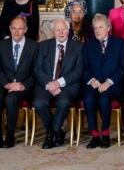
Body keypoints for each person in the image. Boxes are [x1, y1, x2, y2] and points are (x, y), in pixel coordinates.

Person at [34, 18, 83, 149]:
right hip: (47, 84)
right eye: (57, 30)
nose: (61, 32)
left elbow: (78, 71)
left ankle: (51, 135)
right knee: (39, 103)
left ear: (68, 31)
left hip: (68, 85)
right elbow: (37, 69)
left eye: (63, 29)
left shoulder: (78, 47)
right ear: (53, 32)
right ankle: (57, 131)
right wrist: (50, 83)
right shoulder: (43, 46)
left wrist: (59, 83)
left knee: (63, 102)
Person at [0, 16, 38, 148]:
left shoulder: (33, 46)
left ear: (26, 30)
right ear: (10, 29)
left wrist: (23, 85)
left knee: (11, 98)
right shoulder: (2, 45)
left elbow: (36, 71)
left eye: (20, 29)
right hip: (3, 83)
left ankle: (10, 134)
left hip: (23, 86)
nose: (17, 32)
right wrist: (7, 83)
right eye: (14, 29)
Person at [82, 13, 124, 148]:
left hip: (112, 84)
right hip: (94, 83)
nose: (97, 31)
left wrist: (108, 82)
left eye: (100, 27)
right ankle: (95, 135)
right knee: (88, 99)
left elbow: (122, 68)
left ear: (108, 28)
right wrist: (92, 80)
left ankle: (105, 133)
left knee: (104, 99)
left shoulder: (119, 43)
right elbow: (84, 68)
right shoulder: (89, 44)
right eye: (95, 28)